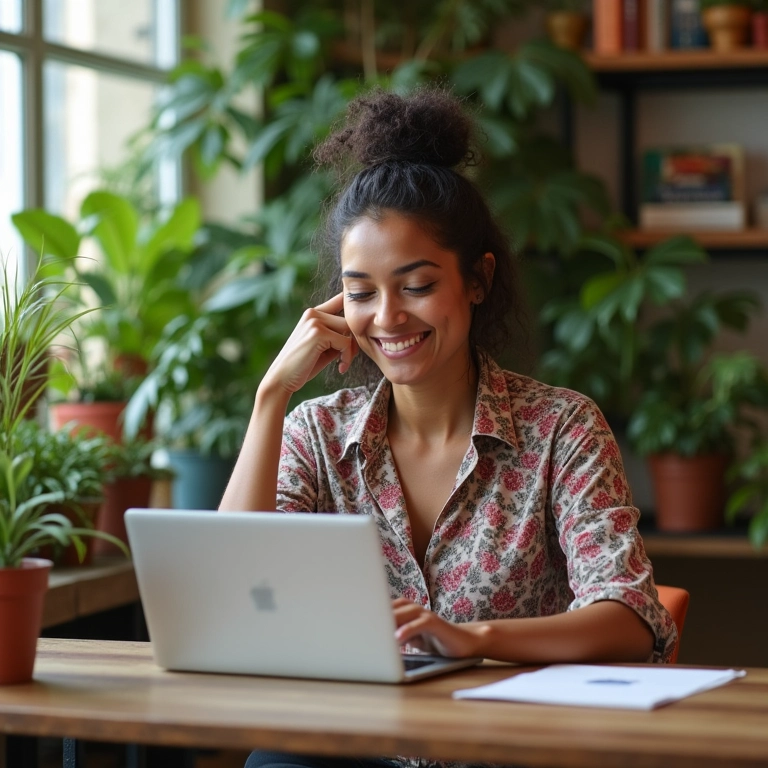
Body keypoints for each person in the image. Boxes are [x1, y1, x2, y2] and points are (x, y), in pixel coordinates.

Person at [220, 86, 677, 768]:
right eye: (362, 292)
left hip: (506, 747)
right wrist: (270, 397)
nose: (387, 317)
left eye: (417, 285)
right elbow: (234, 592)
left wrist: (474, 638)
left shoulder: (562, 428)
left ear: (477, 280)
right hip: (354, 741)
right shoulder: (316, 433)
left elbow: (631, 619)